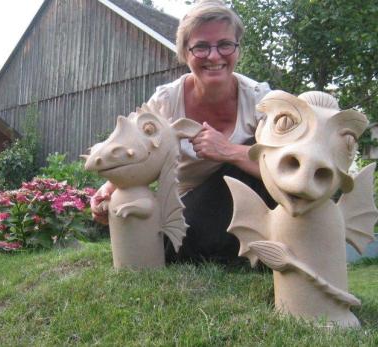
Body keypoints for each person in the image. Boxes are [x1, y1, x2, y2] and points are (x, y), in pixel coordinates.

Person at [91, 0, 276, 263]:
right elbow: (139, 153)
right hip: (185, 206)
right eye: (201, 46)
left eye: (225, 44)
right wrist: (108, 189)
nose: (214, 56)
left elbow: (289, 168)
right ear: (184, 52)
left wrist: (230, 151)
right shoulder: (166, 102)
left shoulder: (261, 100)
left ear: (237, 48)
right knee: (179, 239)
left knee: (254, 166)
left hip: (248, 198)